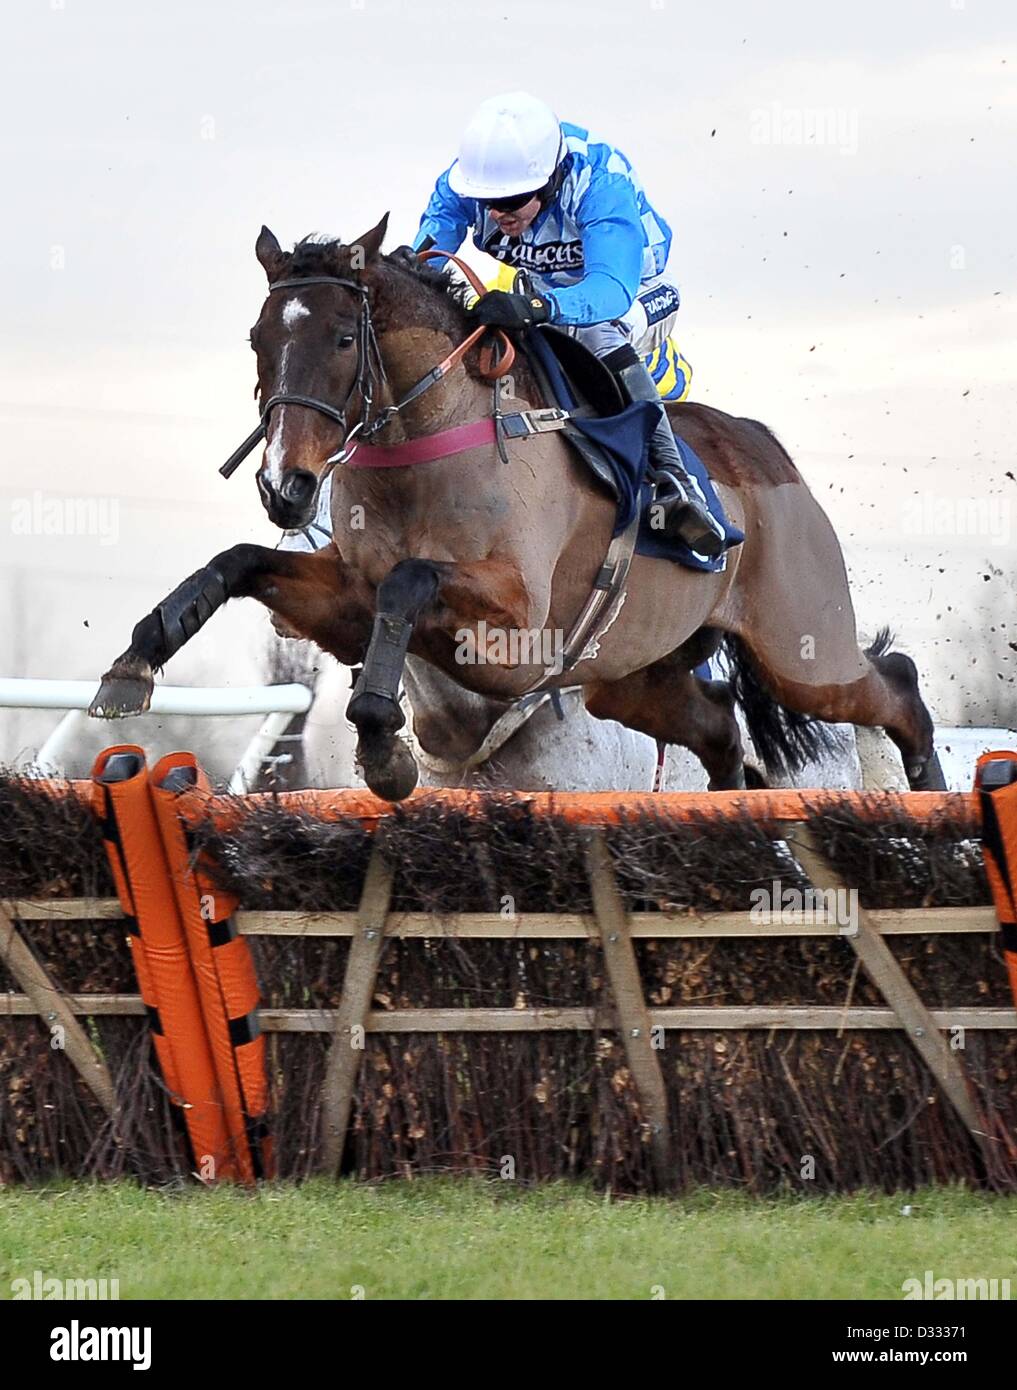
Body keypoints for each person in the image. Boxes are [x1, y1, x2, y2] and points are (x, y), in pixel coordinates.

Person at [402, 90, 726, 557]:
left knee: (597, 332)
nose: (497, 214)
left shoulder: (600, 183)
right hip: (543, 289)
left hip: (635, 291)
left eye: (512, 200)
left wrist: (538, 309)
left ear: (552, 179)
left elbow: (610, 290)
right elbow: (426, 260)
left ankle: (675, 479)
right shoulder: (464, 183)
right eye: (487, 202)